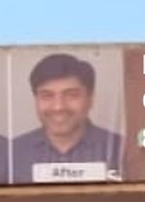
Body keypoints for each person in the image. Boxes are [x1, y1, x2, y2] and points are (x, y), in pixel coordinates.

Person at [11, 53, 123, 183]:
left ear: (90, 99)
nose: (58, 107)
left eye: (71, 95)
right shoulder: (12, 153)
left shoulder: (120, 149)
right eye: (47, 96)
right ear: (35, 100)